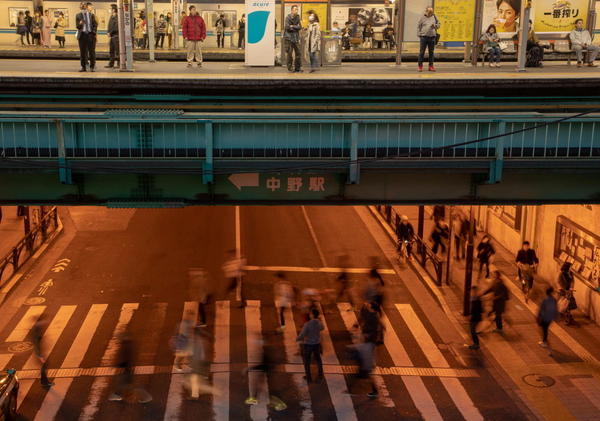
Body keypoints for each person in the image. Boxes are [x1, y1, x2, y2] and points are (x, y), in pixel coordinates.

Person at [296, 308, 324, 383]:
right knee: (318, 360)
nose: (310, 314)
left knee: (307, 361)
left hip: (308, 344)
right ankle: (320, 376)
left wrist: (297, 339)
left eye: (311, 313)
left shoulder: (307, 324)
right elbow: (322, 328)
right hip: (317, 344)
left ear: (312, 315)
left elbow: (302, 335)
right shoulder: (319, 323)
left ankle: (308, 377)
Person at [30, 313, 54, 388]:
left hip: (40, 353)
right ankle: (44, 382)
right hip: (39, 354)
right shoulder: (36, 330)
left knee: (44, 366)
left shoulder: (37, 328)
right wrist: (40, 356)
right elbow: (36, 344)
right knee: (45, 366)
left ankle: (44, 381)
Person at [76, 2, 98, 72]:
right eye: (81, 5)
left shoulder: (91, 15)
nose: (83, 6)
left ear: (86, 6)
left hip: (90, 35)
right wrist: (80, 24)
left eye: (84, 5)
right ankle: (83, 67)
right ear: (80, 7)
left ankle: (92, 67)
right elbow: (77, 26)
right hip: (82, 35)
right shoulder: (78, 15)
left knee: (92, 52)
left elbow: (95, 24)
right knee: (82, 52)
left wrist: (93, 32)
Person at [417, 6, 440, 72]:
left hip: (432, 37)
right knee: (422, 52)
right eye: (429, 12)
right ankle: (420, 66)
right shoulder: (422, 17)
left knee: (431, 53)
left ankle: (431, 66)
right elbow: (418, 26)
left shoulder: (434, 16)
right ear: (426, 11)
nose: (431, 13)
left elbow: (439, 25)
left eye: (432, 12)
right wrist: (419, 35)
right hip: (424, 37)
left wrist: (435, 26)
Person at [538, 287, 558, 353]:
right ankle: (544, 341)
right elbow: (555, 309)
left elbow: (541, 309)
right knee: (545, 329)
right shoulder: (554, 300)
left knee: (544, 330)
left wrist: (539, 317)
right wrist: (555, 316)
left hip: (544, 317)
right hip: (550, 318)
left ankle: (545, 343)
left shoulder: (545, 300)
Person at [284, 5, 302, 72]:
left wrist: (292, 26)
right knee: (289, 53)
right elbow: (287, 27)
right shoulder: (287, 17)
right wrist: (295, 27)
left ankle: (297, 68)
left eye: (297, 9)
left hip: (296, 38)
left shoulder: (298, 17)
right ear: (292, 10)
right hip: (289, 38)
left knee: (298, 53)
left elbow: (300, 27)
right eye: (295, 9)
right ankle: (290, 67)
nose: (297, 10)